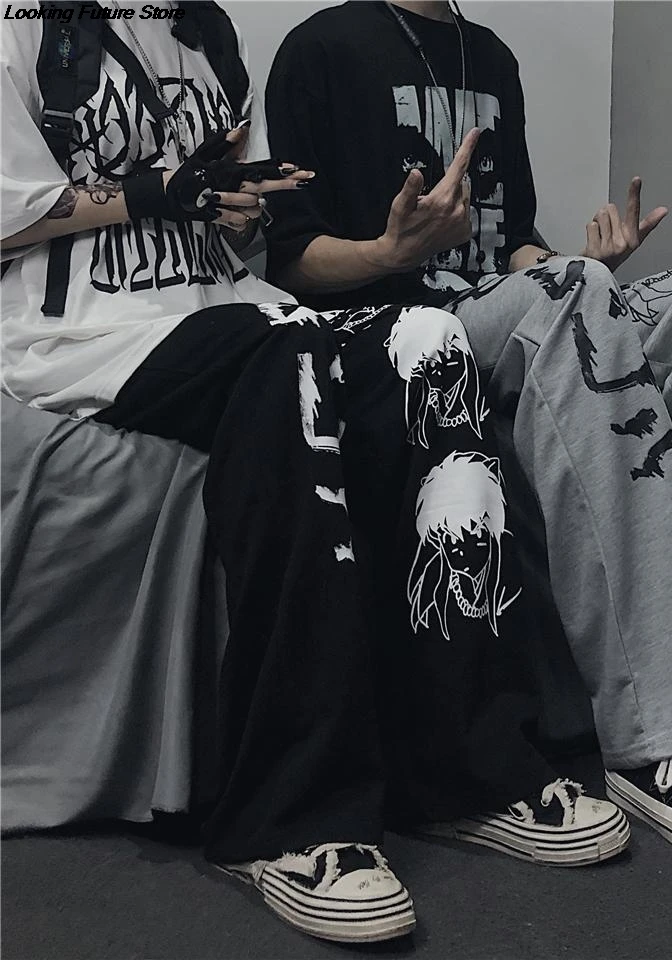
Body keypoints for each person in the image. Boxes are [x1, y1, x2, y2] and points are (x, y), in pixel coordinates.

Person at [0, 1, 629, 946]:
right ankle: (287, 816)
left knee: (430, 339)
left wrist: (239, 211)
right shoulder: (20, 25)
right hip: (86, 333)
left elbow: (235, 232)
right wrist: (156, 192)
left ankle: (468, 768)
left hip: (227, 302)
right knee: (290, 360)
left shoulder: (207, 34)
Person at [263, 0, 672, 865]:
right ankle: (664, 736)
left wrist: (579, 268)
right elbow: (290, 258)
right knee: (572, 294)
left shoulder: (489, 56)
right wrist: (392, 253)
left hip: (496, 308)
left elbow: (512, 245)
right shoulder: (318, 46)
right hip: (392, 333)